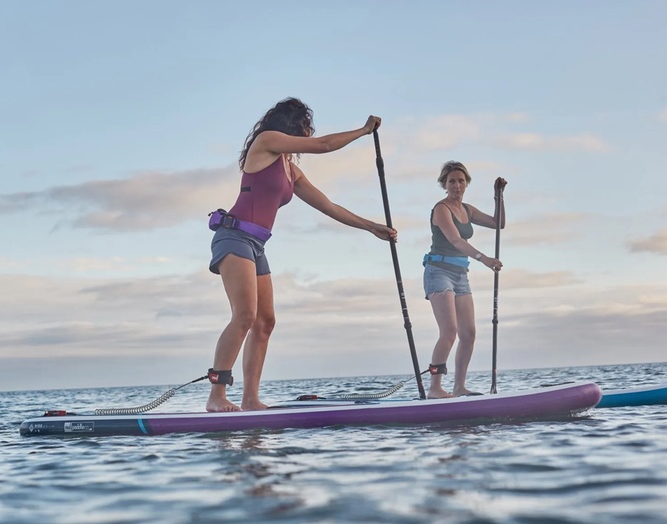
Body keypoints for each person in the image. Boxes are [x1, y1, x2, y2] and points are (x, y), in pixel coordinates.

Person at [205, 97, 398, 412]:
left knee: (265, 322)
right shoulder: (266, 142)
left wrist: (371, 226)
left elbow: (328, 206)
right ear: (292, 124)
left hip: (257, 245)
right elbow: (324, 145)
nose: (309, 133)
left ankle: (250, 398)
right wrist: (364, 131)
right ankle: (217, 396)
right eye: (306, 126)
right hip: (234, 237)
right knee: (245, 316)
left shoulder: (290, 171)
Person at [422, 160, 506, 398]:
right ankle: (435, 388)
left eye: (460, 181)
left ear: (466, 183)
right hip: (438, 272)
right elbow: (456, 240)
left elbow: (498, 224)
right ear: (444, 184)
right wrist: (484, 258)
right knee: (449, 331)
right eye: (451, 181)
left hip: (460, 275)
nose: (456, 186)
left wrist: (498, 197)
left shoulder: (468, 210)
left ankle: (459, 387)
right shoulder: (441, 209)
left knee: (468, 334)